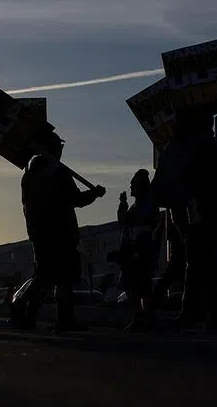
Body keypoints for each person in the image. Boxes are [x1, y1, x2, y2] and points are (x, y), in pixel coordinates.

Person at [11, 130, 106, 332]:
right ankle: (60, 318)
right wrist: (94, 194)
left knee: (45, 276)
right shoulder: (57, 172)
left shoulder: (29, 175)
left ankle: (29, 315)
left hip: (39, 233)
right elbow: (75, 199)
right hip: (61, 232)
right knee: (61, 279)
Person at [150, 111, 217, 329]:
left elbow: (164, 179)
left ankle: (197, 310)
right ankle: (209, 311)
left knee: (196, 260)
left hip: (186, 209)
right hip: (205, 209)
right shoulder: (211, 147)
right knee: (204, 260)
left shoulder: (179, 147)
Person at [116, 169, 161, 332]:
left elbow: (143, 222)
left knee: (139, 283)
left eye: (133, 184)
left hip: (141, 246)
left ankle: (144, 316)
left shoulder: (147, 203)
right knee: (135, 284)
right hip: (134, 246)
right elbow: (124, 222)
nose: (130, 187)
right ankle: (142, 315)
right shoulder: (137, 205)